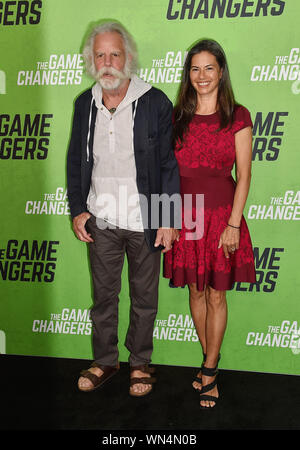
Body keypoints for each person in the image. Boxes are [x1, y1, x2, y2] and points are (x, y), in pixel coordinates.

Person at [67, 21, 180, 397]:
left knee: (145, 299)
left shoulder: (155, 102)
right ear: (91, 60)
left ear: (128, 57)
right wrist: (78, 210)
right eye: (100, 54)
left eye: (115, 53)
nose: (108, 61)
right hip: (102, 221)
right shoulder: (85, 103)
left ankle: (140, 363)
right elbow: (76, 161)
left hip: (144, 221)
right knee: (103, 297)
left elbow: (168, 164)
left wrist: (167, 219)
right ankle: (105, 361)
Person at [164, 39, 256, 409]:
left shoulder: (238, 115)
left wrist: (233, 224)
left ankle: (210, 369)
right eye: (195, 69)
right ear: (188, 74)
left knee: (216, 293)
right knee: (196, 293)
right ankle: (209, 363)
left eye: (209, 68)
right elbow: (165, 173)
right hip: (184, 217)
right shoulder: (175, 117)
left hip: (221, 217)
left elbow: (245, 175)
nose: (202, 76)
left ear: (221, 72)